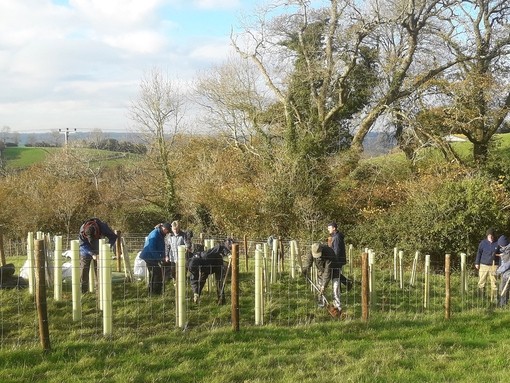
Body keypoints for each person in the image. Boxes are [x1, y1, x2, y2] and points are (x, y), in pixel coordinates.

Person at [301, 242, 342, 317]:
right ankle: (321, 305)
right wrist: (305, 270)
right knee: (320, 288)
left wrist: (324, 285)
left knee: (335, 288)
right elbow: (308, 262)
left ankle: (337, 307)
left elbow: (328, 270)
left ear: (321, 250)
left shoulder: (328, 252)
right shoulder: (311, 251)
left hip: (334, 269)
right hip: (321, 270)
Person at [79, 217, 118, 294]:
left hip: (99, 248)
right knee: (84, 269)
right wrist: (91, 254)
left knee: (99, 270)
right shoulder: (82, 230)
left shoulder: (103, 227)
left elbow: (113, 237)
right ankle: (84, 291)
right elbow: (82, 245)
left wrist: (106, 248)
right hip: (86, 250)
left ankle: (99, 290)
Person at [188, 238, 233, 305]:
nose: (196, 272)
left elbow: (220, 247)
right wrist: (195, 293)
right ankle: (197, 296)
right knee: (201, 281)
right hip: (205, 268)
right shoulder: (193, 267)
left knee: (219, 282)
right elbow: (193, 280)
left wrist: (228, 254)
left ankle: (221, 300)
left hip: (217, 264)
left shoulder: (206, 255)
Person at [139, 222, 172, 295]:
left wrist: (163, 256)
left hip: (152, 256)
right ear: (164, 228)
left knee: (155, 274)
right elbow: (152, 248)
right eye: (168, 231)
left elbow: (161, 247)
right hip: (149, 256)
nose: (168, 233)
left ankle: (153, 291)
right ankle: (155, 292)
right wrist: (160, 258)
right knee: (156, 273)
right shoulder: (155, 234)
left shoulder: (160, 233)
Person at [475, 228, 500, 300]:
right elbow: (479, 253)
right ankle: (481, 298)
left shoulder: (497, 243)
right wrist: (477, 263)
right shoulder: (482, 243)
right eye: (489, 236)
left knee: (494, 283)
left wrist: (499, 265)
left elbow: (501, 254)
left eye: (492, 236)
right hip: (483, 265)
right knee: (481, 282)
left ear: (494, 236)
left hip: (494, 266)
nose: (491, 237)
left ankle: (495, 299)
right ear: (487, 236)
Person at [327, 222, 352, 291]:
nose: (328, 229)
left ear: (334, 228)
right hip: (337, 259)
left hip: (337, 259)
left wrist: (334, 260)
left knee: (335, 273)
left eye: (329, 228)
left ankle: (345, 284)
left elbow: (337, 250)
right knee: (336, 273)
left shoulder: (337, 237)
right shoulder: (334, 236)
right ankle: (344, 285)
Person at [496, 235, 510, 306]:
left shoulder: (508, 251)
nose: (500, 246)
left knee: (504, 289)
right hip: (504, 273)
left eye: (501, 245)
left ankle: (503, 305)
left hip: (508, 274)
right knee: (502, 288)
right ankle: (503, 304)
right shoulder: (504, 250)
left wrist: (498, 271)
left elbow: (507, 264)